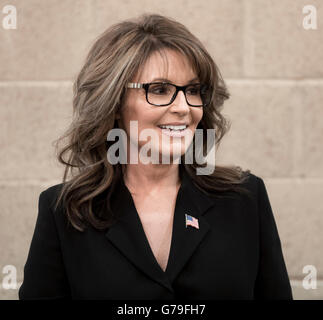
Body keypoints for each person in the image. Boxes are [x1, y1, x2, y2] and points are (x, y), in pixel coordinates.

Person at [19, 13, 293, 300]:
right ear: (114, 103)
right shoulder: (66, 210)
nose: (183, 107)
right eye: (160, 90)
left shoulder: (244, 197)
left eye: (193, 90)